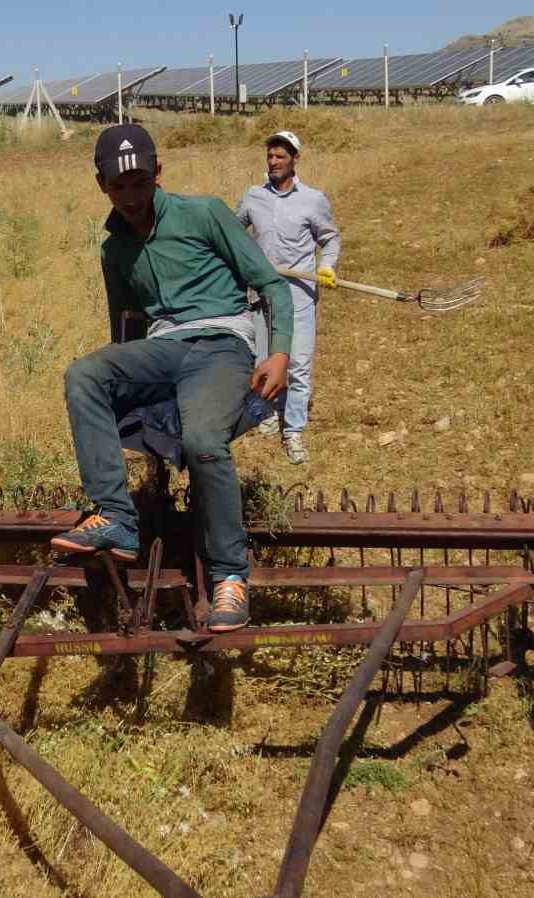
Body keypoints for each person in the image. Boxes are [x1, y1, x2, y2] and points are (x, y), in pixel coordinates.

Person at [50, 123, 295, 633]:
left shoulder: (204, 214)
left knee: (205, 439)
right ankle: (117, 515)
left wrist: (279, 354)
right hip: (162, 349)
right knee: (85, 375)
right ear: (102, 185)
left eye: (140, 182)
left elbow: (270, 283)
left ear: (158, 174)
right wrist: (123, 381)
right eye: (119, 187)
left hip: (221, 346)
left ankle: (230, 576)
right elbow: (125, 326)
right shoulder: (114, 251)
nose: (131, 196)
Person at [236, 130, 341, 465]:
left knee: (298, 364)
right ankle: (266, 413)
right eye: (270, 156)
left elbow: (330, 238)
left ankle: (293, 430)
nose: (273, 162)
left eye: (281, 156)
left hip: (299, 294)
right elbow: (233, 234)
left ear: (295, 159)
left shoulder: (313, 199)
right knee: (263, 359)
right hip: (262, 294)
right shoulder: (253, 197)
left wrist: (326, 265)